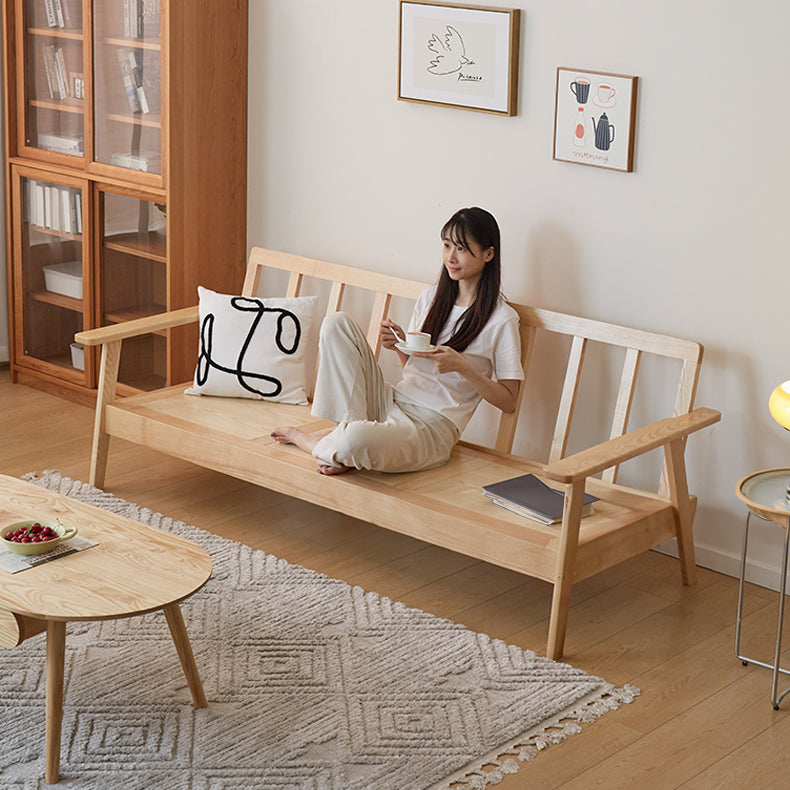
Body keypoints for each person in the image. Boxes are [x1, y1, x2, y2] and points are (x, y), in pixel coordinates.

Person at [271, 206, 523, 474]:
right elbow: (414, 371)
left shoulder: (502, 319)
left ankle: (320, 442)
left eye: (461, 248)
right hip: (391, 401)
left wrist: (463, 367)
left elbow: (509, 401)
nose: (450, 256)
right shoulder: (431, 298)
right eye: (447, 245)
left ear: (488, 253)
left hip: (430, 427)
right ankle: (344, 440)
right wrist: (399, 346)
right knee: (337, 324)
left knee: (356, 439)